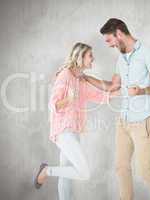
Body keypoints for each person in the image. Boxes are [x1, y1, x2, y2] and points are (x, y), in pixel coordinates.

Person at [85, 18, 150, 200]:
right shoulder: (121, 59)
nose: (109, 45)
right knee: (121, 167)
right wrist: (85, 78)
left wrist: (141, 91)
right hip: (123, 121)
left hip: (144, 121)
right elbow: (113, 86)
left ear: (119, 33)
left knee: (146, 170)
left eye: (109, 40)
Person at [33, 42, 119, 200]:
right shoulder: (65, 75)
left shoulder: (80, 80)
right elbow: (52, 105)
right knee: (84, 172)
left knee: (66, 175)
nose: (93, 58)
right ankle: (46, 171)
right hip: (63, 131)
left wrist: (122, 93)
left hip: (74, 131)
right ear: (80, 56)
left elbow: (98, 96)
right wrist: (69, 99)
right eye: (90, 55)